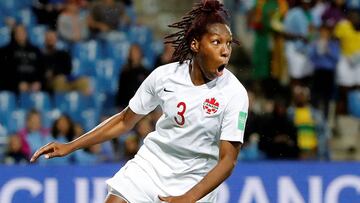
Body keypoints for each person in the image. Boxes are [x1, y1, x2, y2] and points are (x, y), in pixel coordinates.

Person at [30, 1, 249, 203]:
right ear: (195, 45)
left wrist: (188, 198)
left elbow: (228, 160)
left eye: (228, 44)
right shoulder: (164, 77)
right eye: (216, 42)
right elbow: (125, 121)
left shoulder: (234, 94)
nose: (225, 51)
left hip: (196, 180)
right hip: (151, 166)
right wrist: (71, 146)